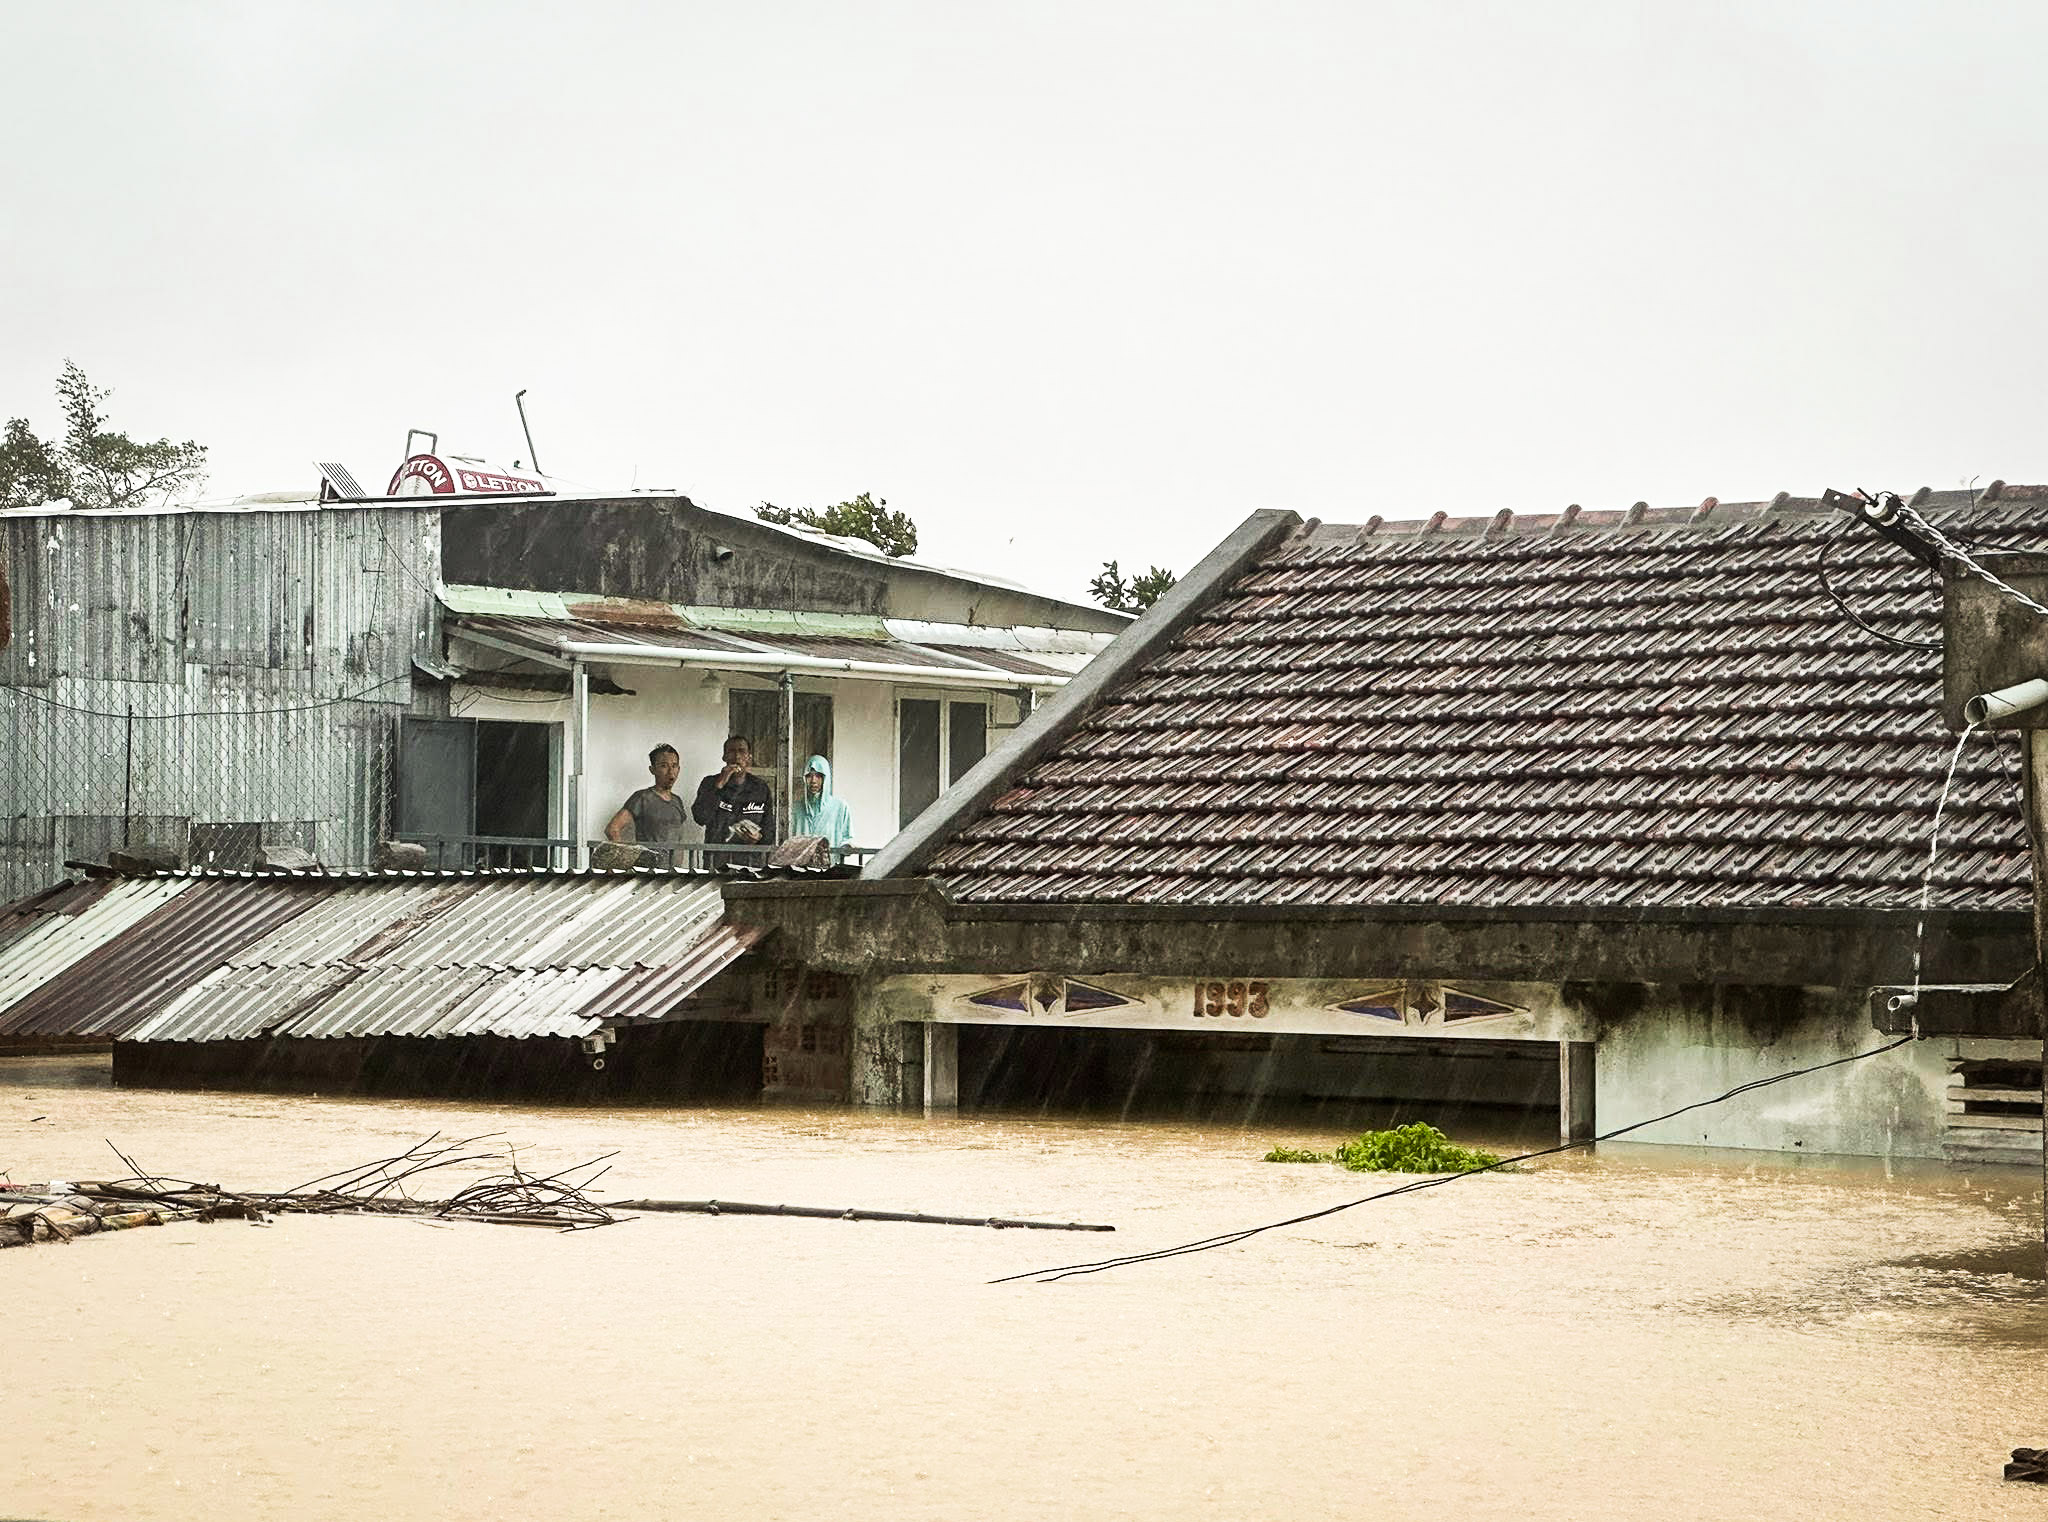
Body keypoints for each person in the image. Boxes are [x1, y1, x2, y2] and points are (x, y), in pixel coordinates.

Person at [691, 734, 777, 863]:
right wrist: (719, 784)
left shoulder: (760, 788)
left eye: (742, 751)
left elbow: (769, 829)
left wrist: (758, 837)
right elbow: (701, 817)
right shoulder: (710, 783)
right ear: (724, 757)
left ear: (749, 757)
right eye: (731, 752)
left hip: (750, 863)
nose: (737, 757)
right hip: (717, 862)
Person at [604, 744, 689, 861]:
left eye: (674, 766)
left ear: (679, 769)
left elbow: (678, 838)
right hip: (648, 873)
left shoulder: (677, 801)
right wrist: (622, 859)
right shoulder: (642, 798)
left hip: (674, 873)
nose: (670, 771)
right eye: (664, 766)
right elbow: (612, 829)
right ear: (652, 769)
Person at [790, 754, 854, 852]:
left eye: (818, 776)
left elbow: (847, 839)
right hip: (799, 866)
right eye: (809, 776)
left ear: (826, 778)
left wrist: (846, 847)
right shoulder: (795, 809)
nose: (813, 781)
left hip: (831, 866)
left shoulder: (840, 808)